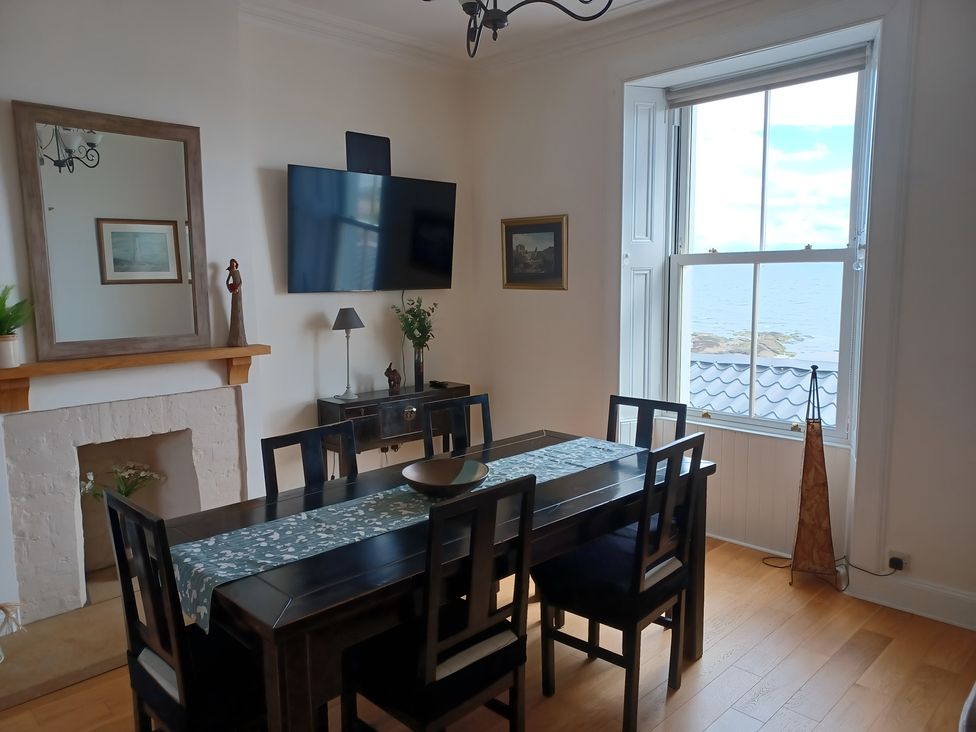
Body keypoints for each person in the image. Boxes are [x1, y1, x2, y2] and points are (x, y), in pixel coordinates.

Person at [226, 258, 247, 347]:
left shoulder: (237, 272)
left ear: (236, 264)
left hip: (239, 291)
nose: (233, 265)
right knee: (235, 309)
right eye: (232, 264)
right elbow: (227, 282)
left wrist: (238, 287)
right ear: (231, 264)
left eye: (234, 264)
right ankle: (235, 339)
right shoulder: (231, 272)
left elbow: (241, 281)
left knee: (239, 309)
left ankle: (241, 339)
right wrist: (231, 290)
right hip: (235, 292)